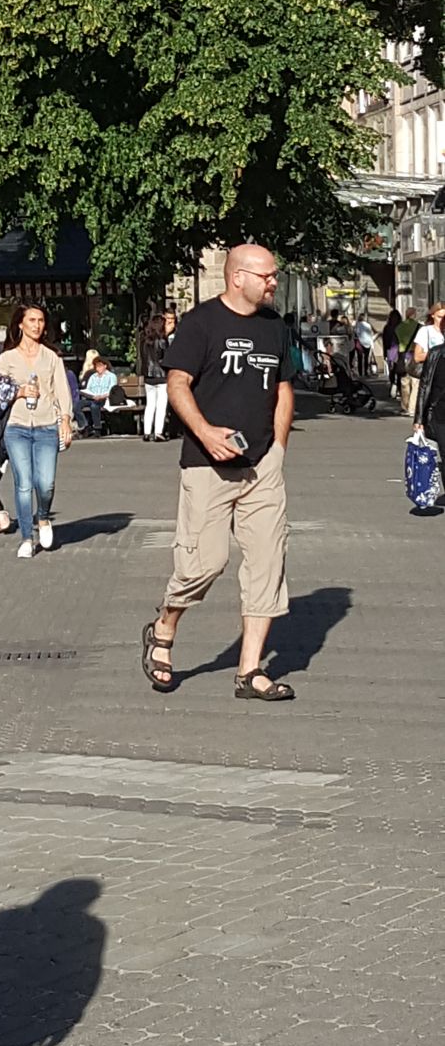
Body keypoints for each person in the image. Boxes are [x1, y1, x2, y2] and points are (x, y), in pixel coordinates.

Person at [142, 245, 296, 703]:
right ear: (238, 277)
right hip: (207, 464)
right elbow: (177, 383)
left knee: (267, 564)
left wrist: (278, 449)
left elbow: (283, 389)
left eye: (274, 275)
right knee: (204, 563)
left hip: (262, 467)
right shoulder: (201, 323)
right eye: (267, 276)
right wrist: (205, 432)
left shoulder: (275, 327)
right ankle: (163, 627)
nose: (273, 282)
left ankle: (250, 671)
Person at [0, 304, 74, 559]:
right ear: (21, 324)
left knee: (46, 483)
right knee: (24, 484)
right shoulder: (8, 358)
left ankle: (43, 517)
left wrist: (65, 420)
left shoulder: (52, 357)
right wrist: (19, 392)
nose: (37, 325)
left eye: (40, 320)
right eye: (31, 320)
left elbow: (62, 391)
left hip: (46, 425)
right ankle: (27, 538)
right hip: (16, 427)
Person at [139, 314, 170, 442]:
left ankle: (146, 432)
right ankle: (158, 432)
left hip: (148, 375)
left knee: (150, 404)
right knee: (161, 405)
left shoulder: (144, 340)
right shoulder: (162, 340)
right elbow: (165, 358)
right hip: (161, 375)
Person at [81, 355, 119, 436]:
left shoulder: (111, 376)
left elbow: (112, 391)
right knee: (77, 405)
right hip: (92, 397)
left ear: (105, 366)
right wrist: (88, 395)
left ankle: (97, 428)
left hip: (104, 398)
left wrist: (101, 396)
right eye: (96, 366)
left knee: (94, 406)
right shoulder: (93, 377)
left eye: (100, 366)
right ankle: (85, 426)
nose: (98, 368)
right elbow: (88, 389)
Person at [381, 307, 402, 398]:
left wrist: (384, 353)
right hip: (400, 350)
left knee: (392, 369)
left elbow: (385, 341)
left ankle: (393, 384)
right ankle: (399, 388)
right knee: (400, 370)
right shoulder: (401, 326)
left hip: (390, 350)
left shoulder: (387, 328)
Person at [352, 310, 375, 379]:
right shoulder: (368, 325)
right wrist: (372, 344)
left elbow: (356, 332)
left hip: (360, 343)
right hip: (368, 342)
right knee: (366, 358)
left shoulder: (357, 325)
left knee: (360, 358)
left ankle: (360, 372)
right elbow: (370, 334)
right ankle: (365, 372)